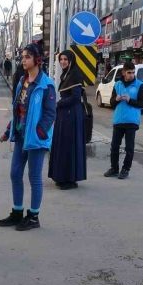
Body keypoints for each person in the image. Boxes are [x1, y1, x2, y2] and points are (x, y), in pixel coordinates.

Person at [0, 43, 56, 231]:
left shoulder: (46, 84)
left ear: (37, 60)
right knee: (15, 173)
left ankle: (33, 216)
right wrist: (8, 130)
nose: (23, 60)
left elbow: (50, 113)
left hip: (36, 139)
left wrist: (40, 131)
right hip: (21, 134)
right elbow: (17, 110)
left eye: (27, 57)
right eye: (22, 57)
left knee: (34, 176)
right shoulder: (22, 81)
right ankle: (17, 212)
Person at [48, 50, 87, 190]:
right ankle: (62, 177)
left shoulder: (75, 74)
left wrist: (58, 104)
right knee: (62, 145)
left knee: (68, 146)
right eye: (61, 59)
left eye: (65, 59)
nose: (63, 62)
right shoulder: (66, 74)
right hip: (65, 114)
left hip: (71, 115)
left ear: (71, 60)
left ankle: (69, 179)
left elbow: (76, 97)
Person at [104, 61, 143, 180]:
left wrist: (130, 100)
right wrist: (116, 99)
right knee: (115, 146)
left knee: (129, 147)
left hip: (132, 121)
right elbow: (111, 103)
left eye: (133, 72)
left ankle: (125, 169)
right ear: (123, 73)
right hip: (118, 120)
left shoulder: (139, 85)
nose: (131, 75)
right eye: (129, 72)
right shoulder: (117, 84)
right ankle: (114, 168)